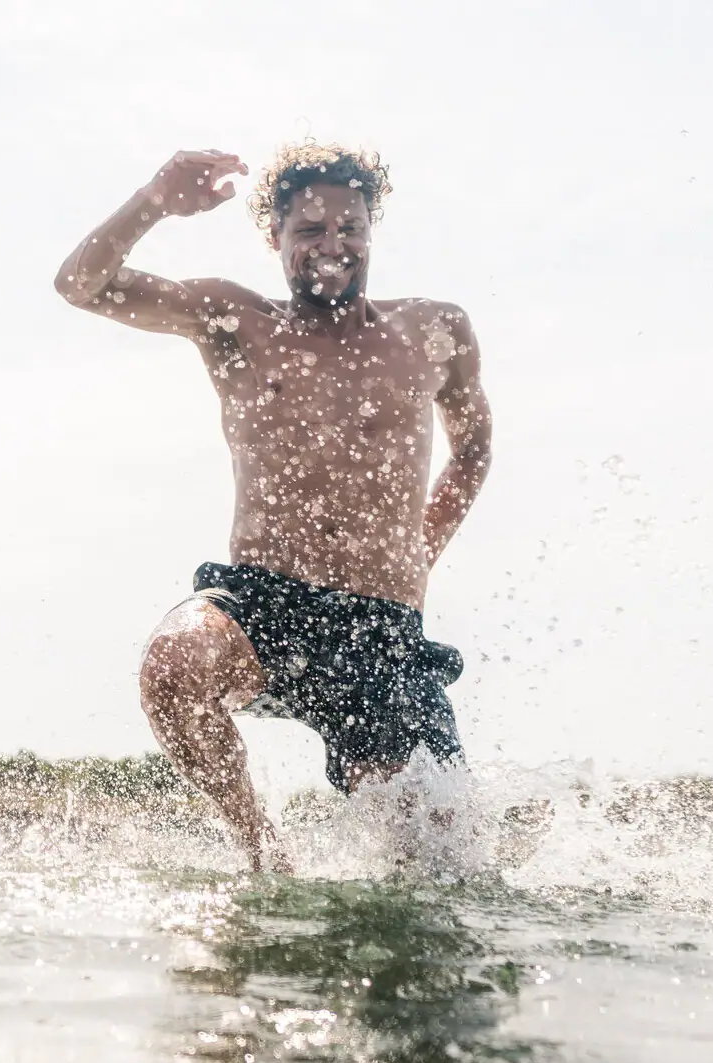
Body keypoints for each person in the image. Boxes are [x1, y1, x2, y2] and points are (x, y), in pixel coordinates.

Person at [53, 143, 493, 871]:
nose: (333, 247)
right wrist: (156, 199)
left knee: (442, 867)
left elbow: (473, 451)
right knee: (174, 667)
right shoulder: (236, 322)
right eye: (310, 231)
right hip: (265, 603)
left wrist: (420, 548)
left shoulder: (433, 331)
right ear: (277, 239)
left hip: (377, 629)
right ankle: (262, 853)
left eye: (349, 227)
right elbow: (81, 284)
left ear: (371, 229)